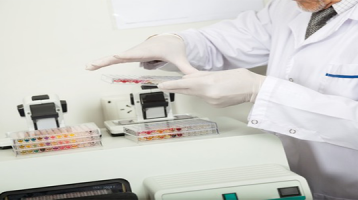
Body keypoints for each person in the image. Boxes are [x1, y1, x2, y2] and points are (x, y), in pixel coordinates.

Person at [86, 0, 358, 199]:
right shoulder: (288, 7)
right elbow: (224, 41)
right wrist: (174, 42)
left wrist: (260, 90)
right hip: (292, 179)